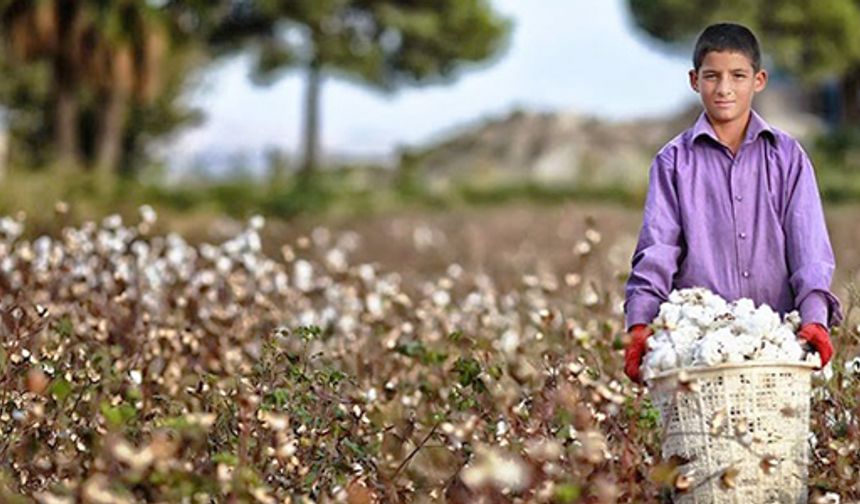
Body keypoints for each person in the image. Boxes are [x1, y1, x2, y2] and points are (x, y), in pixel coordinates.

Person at [623, 22, 842, 383]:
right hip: (698, 348)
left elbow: (810, 249)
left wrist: (815, 317)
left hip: (777, 343)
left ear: (759, 80)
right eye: (712, 76)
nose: (724, 88)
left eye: (738, 75)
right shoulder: (673, 162)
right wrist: (640, 324)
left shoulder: (787, 157)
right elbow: (657, 250)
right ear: (695, 80)